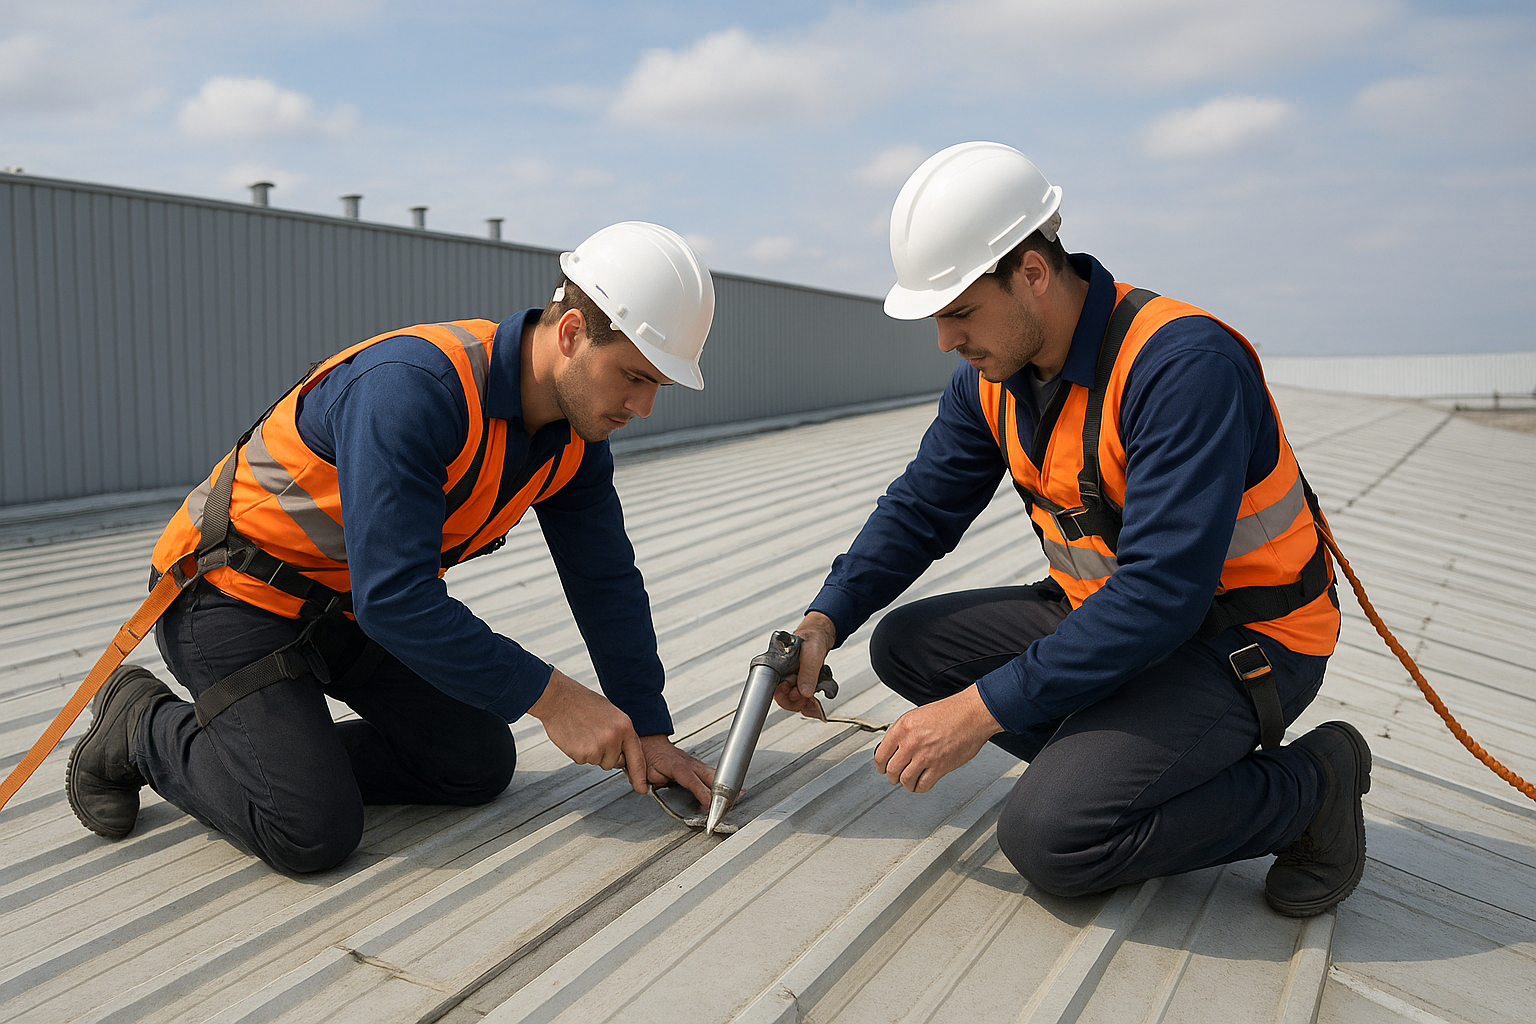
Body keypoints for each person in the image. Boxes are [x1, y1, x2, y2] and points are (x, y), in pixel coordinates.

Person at [776, 143, 1370, 918]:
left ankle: (1313, 787)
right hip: (1110, 620)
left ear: (1031, 272)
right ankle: (1117, 755)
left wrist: (980, 710)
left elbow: (1162, 595)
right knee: (905, 644)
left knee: (1054, 836)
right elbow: (920, 509)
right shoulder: (991, 379)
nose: (946, 340)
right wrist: (827, 617)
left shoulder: (1182, 366)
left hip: (1245, 641)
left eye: (959, 311)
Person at [66, 221, 719, 874]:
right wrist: (556, 699)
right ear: (572, 333)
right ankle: (141, 725)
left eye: (658, 384)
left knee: (475, 763)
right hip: (229, 597)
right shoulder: (414, 389)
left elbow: (604, 581)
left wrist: (648, 727)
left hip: (338, 607)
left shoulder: (575, 441)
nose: (644, 406)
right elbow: (396, 599)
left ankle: (279, 760)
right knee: (309, 830)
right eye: (633, 376)